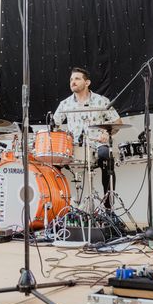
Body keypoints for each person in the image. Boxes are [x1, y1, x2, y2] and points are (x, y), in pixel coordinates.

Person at [53, 67, 121, 208]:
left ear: (87, 82)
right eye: (71, 79)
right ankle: (58, 205)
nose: (73, 82)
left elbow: (117, 122)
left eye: (77, 79)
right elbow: (54, 124)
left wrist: (107, 133)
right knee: (52, 161)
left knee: (106, 156)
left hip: (97, 144)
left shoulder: (101, 101)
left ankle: (108, 206)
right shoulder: (65, 104)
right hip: (74, 146)